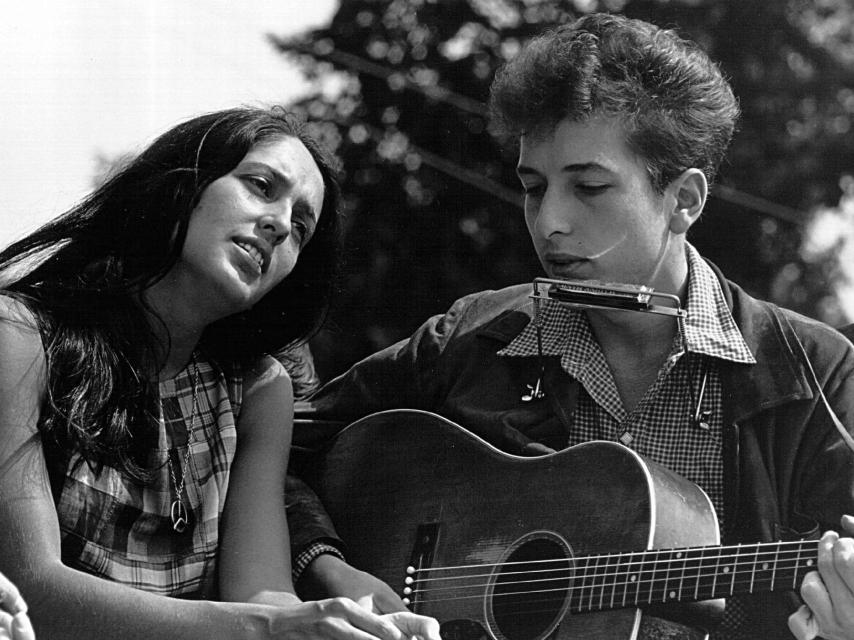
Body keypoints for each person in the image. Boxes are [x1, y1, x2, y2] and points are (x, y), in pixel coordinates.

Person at [284, 14, 854, 640]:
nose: (549, 221)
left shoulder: (816, 373)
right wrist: (329, 567)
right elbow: (272, 451)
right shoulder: (471, 336)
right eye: (533, 187)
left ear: (685, 199)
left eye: (588, 186)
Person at [0, 106, 440, 640]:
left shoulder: (259, 390)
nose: (280, 224)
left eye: (301, 227)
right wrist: (268, 627)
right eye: (260, 186)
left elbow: (261, 592)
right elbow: (32, 590)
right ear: (185, 183)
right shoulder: (22, 338)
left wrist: (351, 628)